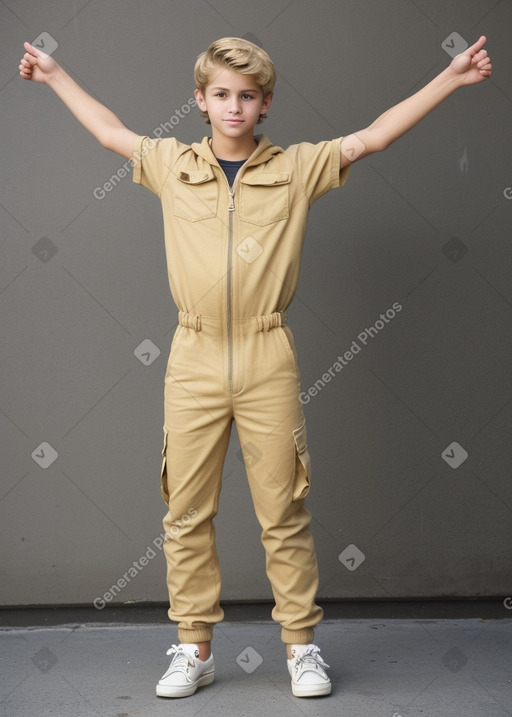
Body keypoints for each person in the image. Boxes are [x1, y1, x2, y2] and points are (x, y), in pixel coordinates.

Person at [19, 33, 492, 699]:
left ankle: (301, 648)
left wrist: (450, 79)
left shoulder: (296, 169)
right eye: (221, 95)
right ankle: (194, 648)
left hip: (269, 355)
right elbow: (108, 132)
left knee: (284, 509)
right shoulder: (170, 164)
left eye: (247, 96)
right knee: (184, 511)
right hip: (193, 354)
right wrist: (56, 73)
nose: (233, 107)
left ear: (265, 103)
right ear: (200, 101)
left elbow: (375, 136)